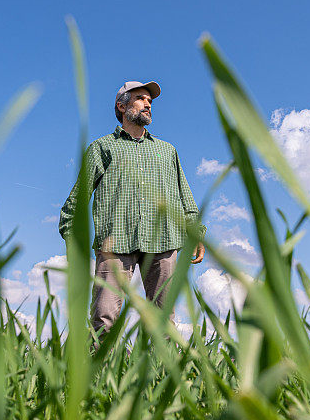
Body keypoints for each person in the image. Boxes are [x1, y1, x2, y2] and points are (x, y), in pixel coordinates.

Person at [58, 80, 205, 344]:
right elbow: (78, 198)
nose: (148, 103)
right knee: (104, 317)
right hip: (115, 241)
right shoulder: (102, 148)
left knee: (164, 320)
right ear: (122, 106)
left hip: (163, 241)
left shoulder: (167, 151)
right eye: (140, 98)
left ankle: (161, 378)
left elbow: (185, 195)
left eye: (150, 100)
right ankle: (103, 378)